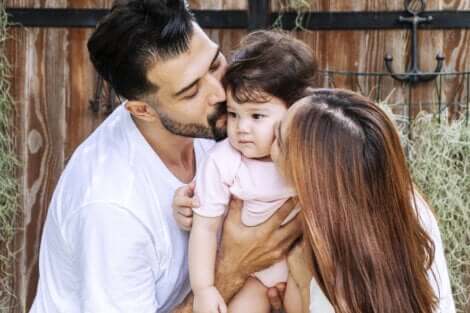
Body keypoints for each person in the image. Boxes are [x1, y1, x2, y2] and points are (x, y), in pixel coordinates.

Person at [28, 1, 301, 312]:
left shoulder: (224, 123)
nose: (221, 94)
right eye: (190, 92)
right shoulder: (110, 208)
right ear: (142, 110)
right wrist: (232, 269)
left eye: (214, 64)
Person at [271, 88, 456, 313]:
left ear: (310, 175)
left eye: (278, 139)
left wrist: (302, 283)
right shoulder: (407, 205)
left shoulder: (341, 282)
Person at [187, 30, 315, 313]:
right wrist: (204, 289)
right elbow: (205, 228)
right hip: (250, 278)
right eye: (234, 114)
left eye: (257, 116)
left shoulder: (310, 155)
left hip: (300, 269)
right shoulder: (224, 161)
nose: (242, 127)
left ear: (295, 112)